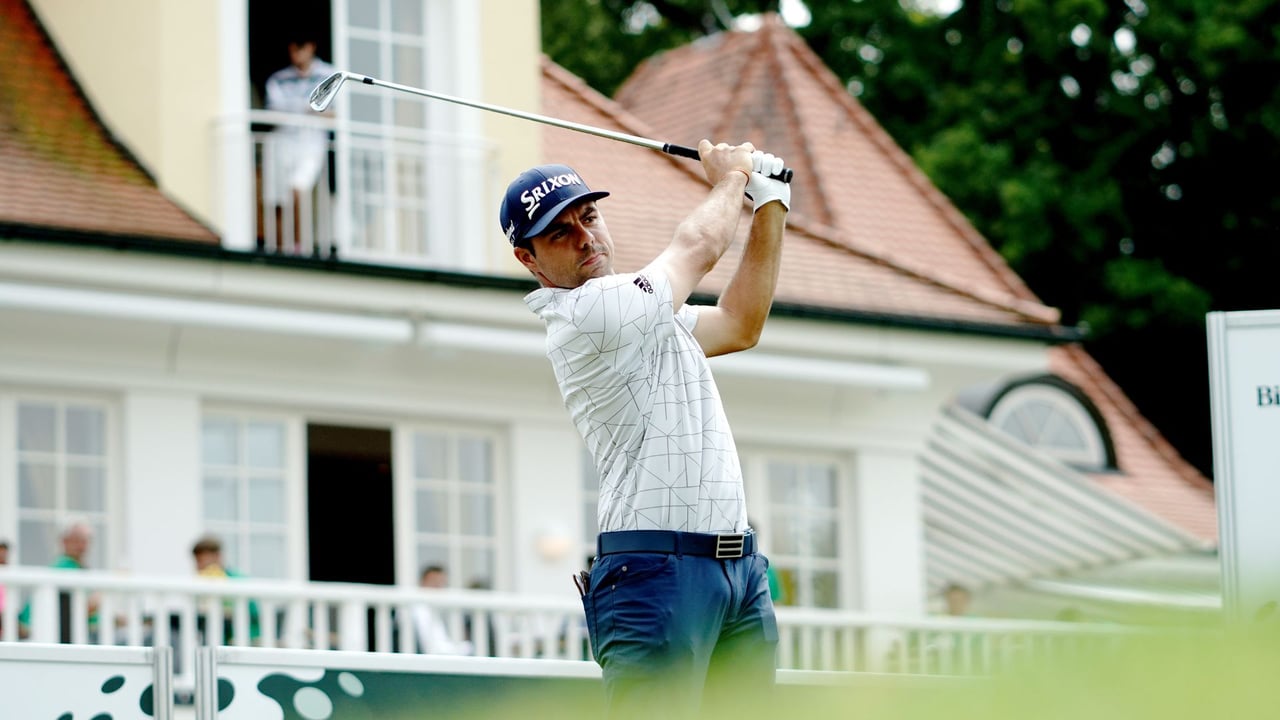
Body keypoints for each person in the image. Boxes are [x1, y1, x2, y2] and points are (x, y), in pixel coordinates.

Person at [501, 140, 790, 719]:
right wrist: (733, 178)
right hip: (656, 572)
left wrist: (770, 204)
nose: (584, 237)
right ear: (529, 259)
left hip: (737, 570)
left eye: (589, 217)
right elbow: (697, 247)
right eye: (559, 233)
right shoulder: (588, 314)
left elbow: (741, 323)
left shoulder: (645, 310)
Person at [262, 31, 334, 253]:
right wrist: (309, 108)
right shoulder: (279, 79)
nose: (296, 54)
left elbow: (334, 113)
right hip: (283, 141)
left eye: (300, 48)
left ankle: (298, 245)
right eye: (292, 49)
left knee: (297, 189)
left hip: (311, 142)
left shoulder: (329, 75)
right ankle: (280, 245)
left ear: (311, 47)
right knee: (277, 198)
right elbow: (274, 111)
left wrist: (301, 109)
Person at [18, 521, 100, 640]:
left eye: (85, 541)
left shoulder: (76, 567)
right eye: (76, 540)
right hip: (65, 634)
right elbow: (81, 609)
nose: (81, 546)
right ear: (64, 542)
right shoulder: (65, 566)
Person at [190, 534, 261, 643]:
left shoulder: (237, 580)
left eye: (202, 561)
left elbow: (252, 613)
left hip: (242, 637)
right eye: (197, 562)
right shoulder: (200, 585)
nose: (199, 567)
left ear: (218, 556)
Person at [411, 565, 472, 655]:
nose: (438, 587)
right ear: (422, 583)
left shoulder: (438, 610)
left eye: (441, 583)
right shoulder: (419, 611)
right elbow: (432, 648)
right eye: (433, 582)